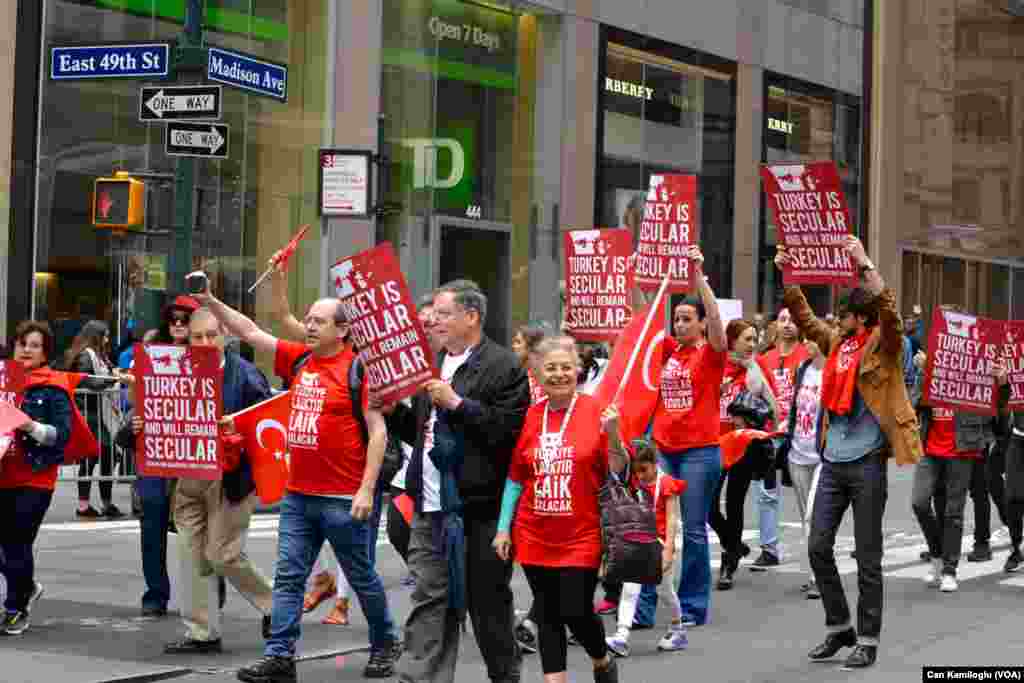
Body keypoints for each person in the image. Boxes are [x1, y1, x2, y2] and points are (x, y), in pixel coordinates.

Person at [197, 279, 401, 682]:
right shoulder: (300, 360)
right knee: (290, 576)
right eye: (308, 319)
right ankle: (280, 656)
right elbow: (249, 331)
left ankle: (384, 642)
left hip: (344, 498)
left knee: (361, 575)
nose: (308, 326)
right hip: (299, 495)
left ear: (342, 331)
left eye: (319, 321)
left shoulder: (360, 370)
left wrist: (365, 489)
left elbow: (378, 433)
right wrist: (210, 301)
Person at [776, 235, 922, 670]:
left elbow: (891, 311)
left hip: (868, 463)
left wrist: (863, 262)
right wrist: (787, 275)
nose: (837, 322)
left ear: (863, 317)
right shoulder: (837, 344)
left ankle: (869, 638)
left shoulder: (887, 346)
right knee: (818, 546)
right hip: (833, 460)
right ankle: (840, 628)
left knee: (868, 554)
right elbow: (804, 319)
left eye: (845, 316)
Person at [384, 279, 529, 683]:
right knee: (429, 598)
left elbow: (509, 433)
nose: (435, 321)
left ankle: (505, 675)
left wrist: (459, 404)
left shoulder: (503, 366)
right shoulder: (431, 361)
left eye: (445, 314)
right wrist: (395, 411)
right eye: (435, 314)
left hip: (478, 508)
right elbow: (420, 430)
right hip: (430, 505)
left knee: (487, 603)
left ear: (471, 317)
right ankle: (419, 677)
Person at [493, 335, 626, 683]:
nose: (559, 374)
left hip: (581, 534)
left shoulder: (596, 410)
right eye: (550, 368)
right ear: (537, 374)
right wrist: (504, 528)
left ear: (577, 371)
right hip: (534, 533)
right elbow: (516, 478)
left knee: (576, 609)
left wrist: (612, 434)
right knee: (548, 610)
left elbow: (618, 469)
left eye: (566, 367)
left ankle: (601, 658)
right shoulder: (532, 416)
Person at [143, 308, 276, 653]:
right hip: (188, 475)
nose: (203, 343)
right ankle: (202, 631)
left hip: (229, 476)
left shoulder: (245, 375)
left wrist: (237, 426)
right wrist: (140, 426)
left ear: (226, 336)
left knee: (222, 554)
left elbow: (264, 423)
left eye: (211, 335)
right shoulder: (174, 372)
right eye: (197, 337)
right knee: (191, 554)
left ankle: (276, 605)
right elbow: (155, 412)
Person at [649, 246, 727, 627]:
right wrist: (641, 278)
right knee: (651, 527)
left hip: (699, 454)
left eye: (686, 319)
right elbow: (645, 323)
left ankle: (693, 606)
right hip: (663, 449)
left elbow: (716, 317)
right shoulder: (669, 351)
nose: (678, 325)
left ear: (700, 325)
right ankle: (644, 608)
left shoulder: (711, 355)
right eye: (676, 319)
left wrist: (698, 275)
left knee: (693, 531)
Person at [1, 321, 88, 634]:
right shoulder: (3, 380)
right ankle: (27, 586)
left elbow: (60, 435)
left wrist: (29, 426)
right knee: (10, 546)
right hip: (3, 474)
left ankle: (15, 608)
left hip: (35, 478)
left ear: (45, 352)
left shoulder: (53, 386)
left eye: (34, 345)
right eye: (22, 343)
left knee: (16, 541)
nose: (26, 349)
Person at [910, 339, 1004, 592]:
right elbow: (913, 402)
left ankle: (949, 569)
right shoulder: (931, 368)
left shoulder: (973, 373)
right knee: (920, 503)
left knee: (953, 511)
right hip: (930, 448)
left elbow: (995, 411)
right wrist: (925, 373)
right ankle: (938, 554)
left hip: (961, 448)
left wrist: (1000, 383)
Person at [605, 439, 687, 657]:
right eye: (636, 470)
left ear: (654, 463)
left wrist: (669, 549)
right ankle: (621, 636)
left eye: (644, 470)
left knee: (665, 591)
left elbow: (672, 518)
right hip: (639, 541)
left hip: (660, 544)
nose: (640, 475)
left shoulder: (667, 484)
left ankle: (678, 628)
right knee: (630, 587)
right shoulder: (635, 483)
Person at [711, 319, 777, 590]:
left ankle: (728, 565)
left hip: (743, 447)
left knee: (735, 503)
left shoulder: (756, 366)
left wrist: (752, 367)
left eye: (755, 339)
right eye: (747, 339)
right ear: (731, 340)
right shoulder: (715, 365)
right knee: (707, 506)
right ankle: (734, 544)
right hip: (713, 444)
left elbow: (770, 404)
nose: (752, 344)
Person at [752, 309, 810, 571]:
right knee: (766, 492)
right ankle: (769, 548)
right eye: (783, 320)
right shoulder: (765, 358)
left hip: (799, 434)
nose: (788, 325)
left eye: (793, 320)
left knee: (806, 496)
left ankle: (814, 552)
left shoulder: (809, 355)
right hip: (769, 433)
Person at [777, 340, 827, 599]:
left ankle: (820, 575)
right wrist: (785, 423)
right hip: (797, 452)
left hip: (821, 455)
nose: (807, 342)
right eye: (805, 336)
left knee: (813, 516)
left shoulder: (832, 370)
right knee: (805, 517)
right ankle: (814, 573)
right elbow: (795, 407)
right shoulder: (802, 368)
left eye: (812, 336)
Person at [64, 320, 123, 518]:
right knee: (93, 456)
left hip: (100, 413)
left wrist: (116, 376)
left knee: (108, 455)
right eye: (105, 335)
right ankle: (84, 505)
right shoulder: (86, 355)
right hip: (90, 413)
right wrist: (113, 380)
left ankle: (104, 503)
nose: (107, 339)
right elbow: (84, 380)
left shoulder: (99, 356)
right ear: (96, 336)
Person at [512, 322, 553, 406]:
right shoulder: (515, 373)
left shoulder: (542, 375)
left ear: (531, 346)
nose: (514, 346)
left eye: (518, 342)